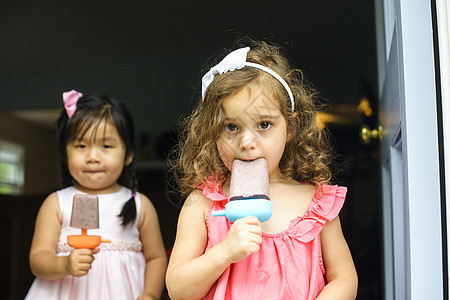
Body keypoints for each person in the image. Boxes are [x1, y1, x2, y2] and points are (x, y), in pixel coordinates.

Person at [166, 39, 358, 299]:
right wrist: (224, 252)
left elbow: (344, 279)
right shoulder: (201, 205)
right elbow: (178, 290)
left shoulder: (317, 203)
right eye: (231, 127)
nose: (246, 143)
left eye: (264, 125)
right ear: (212, 133)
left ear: (289, 128)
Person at [26, 90, 167, 300]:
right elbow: (37, 260)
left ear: (128, 154)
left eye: (106, 146)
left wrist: (150, 294)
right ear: (65, 153)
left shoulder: (139, 205)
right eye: (81, 146)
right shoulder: (56, 203)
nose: (93, 157)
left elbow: (156, 258)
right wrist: (64, 263)